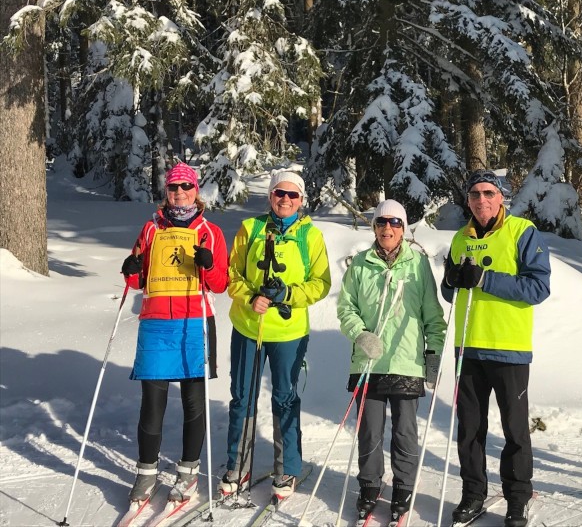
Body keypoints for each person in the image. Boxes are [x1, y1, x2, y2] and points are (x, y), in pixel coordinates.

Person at [441, 170, 551, 527]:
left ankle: (517, 499)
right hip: (468, 348)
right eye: (474, 194)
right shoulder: (460, 239)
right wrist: (450, 282)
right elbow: (452, 293)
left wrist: (486, 279)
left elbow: (538, 288)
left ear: (501, 196)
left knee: (515, 431)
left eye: (488, 193)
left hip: (508, 349)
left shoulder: (522, 231)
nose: (481, 200)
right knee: (469, 430)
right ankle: (474, 494)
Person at [121, 162, 229, 505]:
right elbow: (138, 279)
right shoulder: (151, 228)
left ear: (196, 191)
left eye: (185, 186)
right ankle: (146, 473)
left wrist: (209, 264)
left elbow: (220, 284)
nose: (179, 192)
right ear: (166, 192)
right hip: (155, 323)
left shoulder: (209, 232)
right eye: (173, 187)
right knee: (152, 404)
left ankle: (188, 472)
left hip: (194, 322)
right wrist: (130, 269)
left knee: (193, 404)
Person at [223, 171, 331, 498]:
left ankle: (287, 468)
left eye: (292, 195)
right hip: (248, 326)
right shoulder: (250, 229)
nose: (285, 200)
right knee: (243, 396)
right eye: (279, 193)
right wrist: (249, 296)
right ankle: (237, 465)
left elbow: (321, 283)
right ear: (271, 195)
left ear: (301, 200)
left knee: (284, 396)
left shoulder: (310, 235)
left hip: (288, 332)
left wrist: (287, 294)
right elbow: (232, 274)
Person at [337, 200, 447, 521]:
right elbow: (346, 309)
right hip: (369, 362)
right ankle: (370, 484)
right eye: (382, 222)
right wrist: (361, 334)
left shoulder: (418, 264)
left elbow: (432, 314)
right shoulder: (360, 264)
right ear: (374, 227)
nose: (388, 229)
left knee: (404, 431)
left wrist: (433, 353)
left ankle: (404, 484)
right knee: (369, 430)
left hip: (406, 362)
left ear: (404, 228)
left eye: (395, 223)